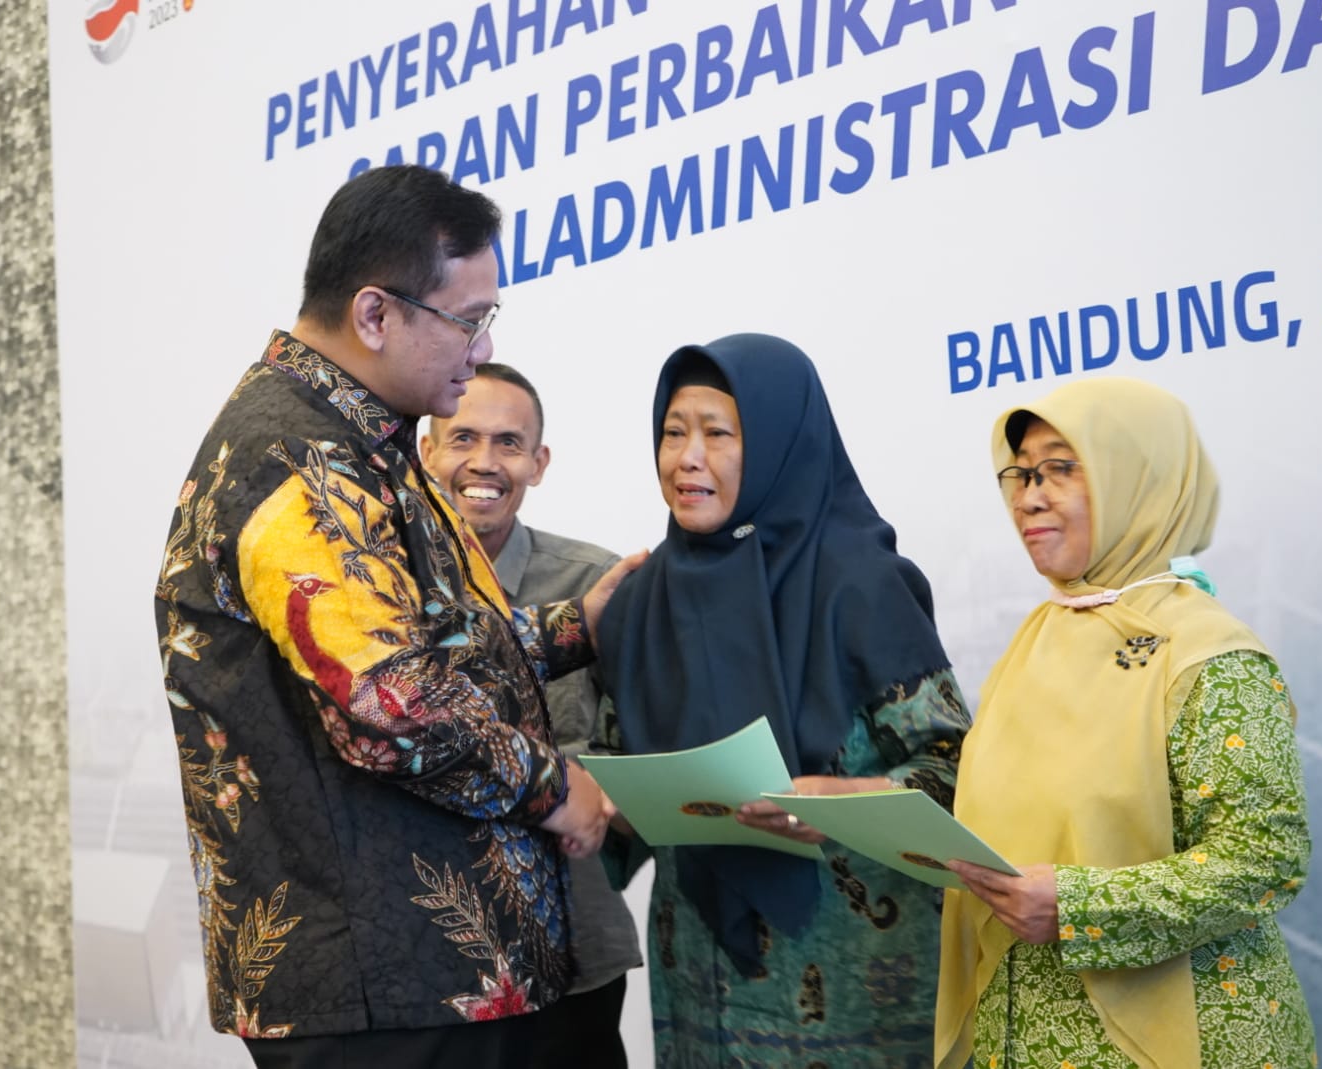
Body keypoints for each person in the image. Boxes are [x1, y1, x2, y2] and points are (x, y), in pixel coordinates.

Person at [152, 164, 639, 1069]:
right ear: (375, 314)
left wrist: (578, 624)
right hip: (383, 994)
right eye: (469, 319)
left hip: (417, 984)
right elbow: (392, 703)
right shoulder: (295, 459)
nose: (482, 350)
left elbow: (430, 643)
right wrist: (550, 785)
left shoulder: (362, 441)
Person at [594, 334, 972, 1068]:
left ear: (775, 443)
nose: (687, 458)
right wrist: (606, 804)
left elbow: (957, 773)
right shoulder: (642, 599)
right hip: (696, 973)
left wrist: (839, 799)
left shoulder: (861, 584)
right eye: (673, 432)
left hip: (858, 977)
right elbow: (620, 775)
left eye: (718, 433)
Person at [936, 376, 1317, 1069]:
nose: (1029, 496)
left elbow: (1265, 857)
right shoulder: (1038, 638)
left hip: (1183, 1041)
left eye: (1061, 468)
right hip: (1023, 1034)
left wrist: (1079, 906)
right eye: (1021, 472)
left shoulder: (1210, 653)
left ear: (1139, 479)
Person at [421, 361, 644, 1069]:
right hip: (429, 963)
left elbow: (643, 750)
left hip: (573, 952)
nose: (484, 462)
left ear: (538, 463)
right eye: (463, 438)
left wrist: (597, 802)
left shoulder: (592, 584)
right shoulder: (378, 591)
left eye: (509, 443)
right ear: (426, 451)